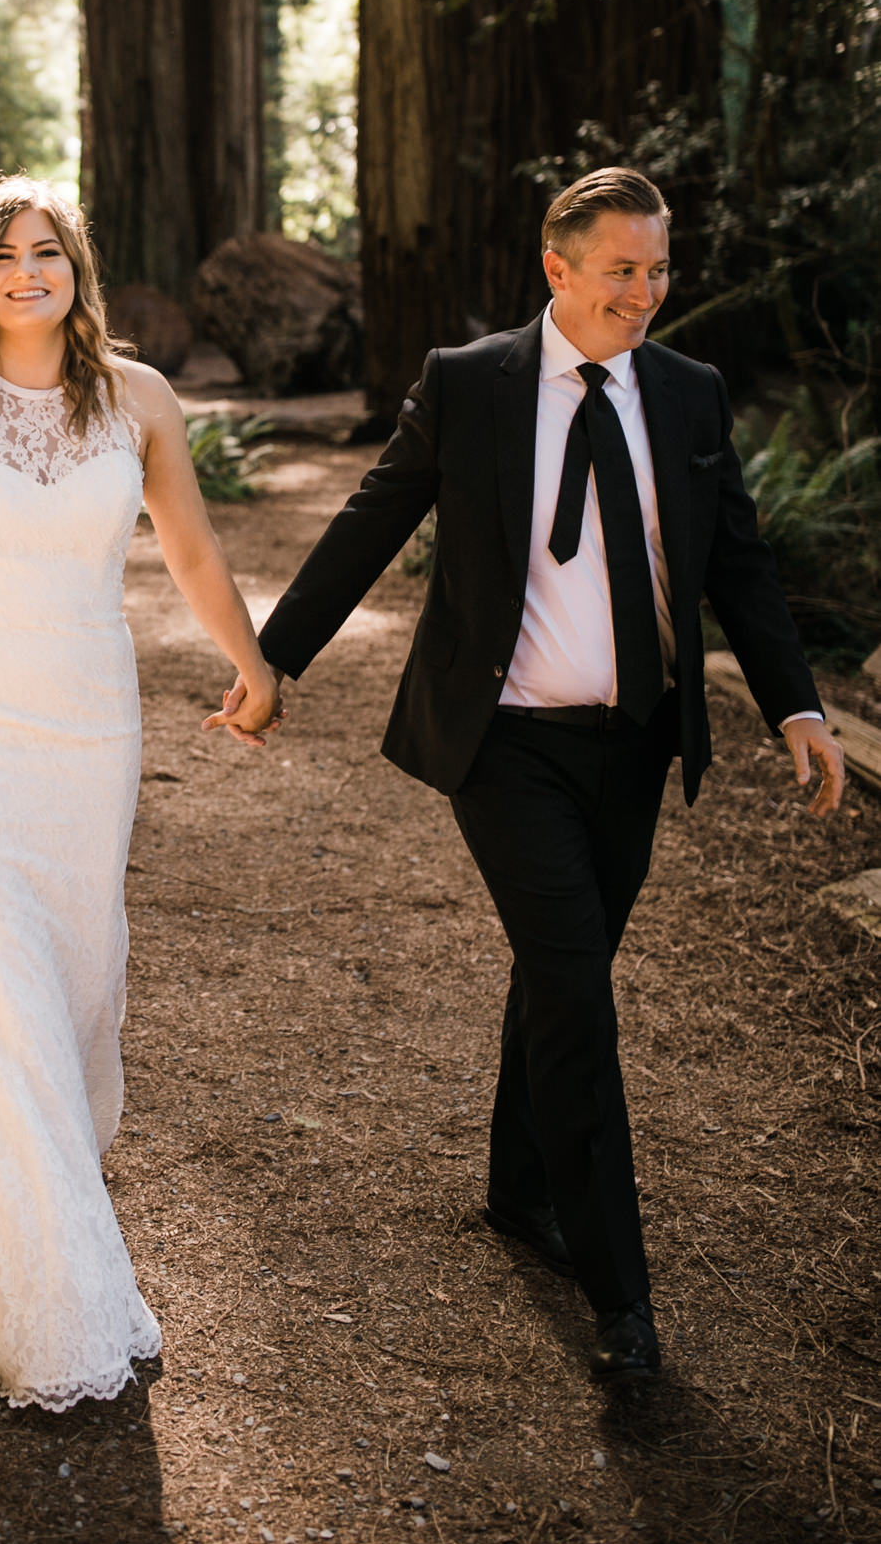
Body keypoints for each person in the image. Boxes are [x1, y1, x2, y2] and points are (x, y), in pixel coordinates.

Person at [224, 166, 845, 1381]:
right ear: (555, 268)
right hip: (502, 743)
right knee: (576, 986)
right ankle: (622, 1302)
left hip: (635, 741)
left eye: (658, 268)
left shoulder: (687, 392)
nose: (646, 291)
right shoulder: (472, 386)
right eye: (622, 269)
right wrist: (270, 660)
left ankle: (517, 1189)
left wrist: (796, 705)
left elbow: (736, 566)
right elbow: (371, 517)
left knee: (564, 972)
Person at [0, 176, 279, 1411]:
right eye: (4, 255)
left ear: (78, 268)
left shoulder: (138, 401)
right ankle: (48, 1277)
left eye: (48, 251)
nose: (28, 271)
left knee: (67, 960)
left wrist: (249, 660)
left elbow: (187, 547)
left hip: (84, 720)